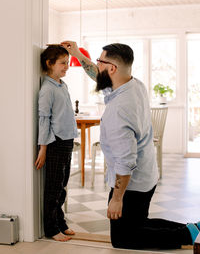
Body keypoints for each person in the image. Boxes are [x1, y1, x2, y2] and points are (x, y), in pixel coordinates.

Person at [61, 40, 200, 249]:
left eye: (100, 62)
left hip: (132, 184)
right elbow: (99, 77)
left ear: (112, 68)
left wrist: (117, 198)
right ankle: (195, 229)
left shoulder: (119, 109)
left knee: (123, 238)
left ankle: (189, 235)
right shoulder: (132, 84)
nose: (97, 65)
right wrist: (78, 55)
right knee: (138, 224)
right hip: (147, 174)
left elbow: (125, 162)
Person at [35, 45, 78, 242]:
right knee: (53, 188)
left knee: (62, 186)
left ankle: (60, 222)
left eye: (67, 63)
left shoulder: (62, 85)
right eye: (63, 63)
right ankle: (51, 229)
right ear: (49, 63)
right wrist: (43, 149)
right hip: (55, 143)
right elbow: (44, 119)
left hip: (67, 140)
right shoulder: (47, 89)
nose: (66, 67)